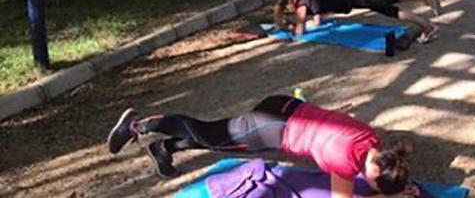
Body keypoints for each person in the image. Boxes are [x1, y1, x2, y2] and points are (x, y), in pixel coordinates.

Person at [106, 96, 419, 198]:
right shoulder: (344, 162)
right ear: (375, 170)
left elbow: (379, 169)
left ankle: (165, 148)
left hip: (285, 107)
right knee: (208, 135)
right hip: (269, 128)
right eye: (376, 183)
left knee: (221, 142)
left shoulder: (372, 140)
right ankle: (139, 124)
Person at [274, 0, 441, 44]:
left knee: (389, 7)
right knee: (387, 0)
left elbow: (299, 31)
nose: (293, 13)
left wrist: (290, 26)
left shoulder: (301, 5)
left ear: (289, 5)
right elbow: (317, 18)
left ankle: (427, 22)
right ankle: (424, 1)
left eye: (288, 11)